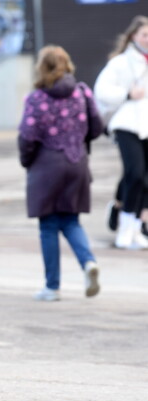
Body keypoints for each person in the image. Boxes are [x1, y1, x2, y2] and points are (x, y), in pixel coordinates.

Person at [18, 45, 103, 302]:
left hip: (46, 167)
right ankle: (88, 262)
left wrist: (27, 161)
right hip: (77, 163)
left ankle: (52, 287)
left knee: (48, 226)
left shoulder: (36, 98)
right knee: (71, 220)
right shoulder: (82, 92)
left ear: (42, 68)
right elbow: (97, 126)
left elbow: (27, 137)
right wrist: (77, 139)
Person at [94, 15, 148, 249]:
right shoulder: (121, 63)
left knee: (145, 179)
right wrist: (127, 93)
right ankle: (124, 225)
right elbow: (102, 91)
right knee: (134, 173)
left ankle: (135, 227)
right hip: (126, 124)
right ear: (134, 36)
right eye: (144, 34)